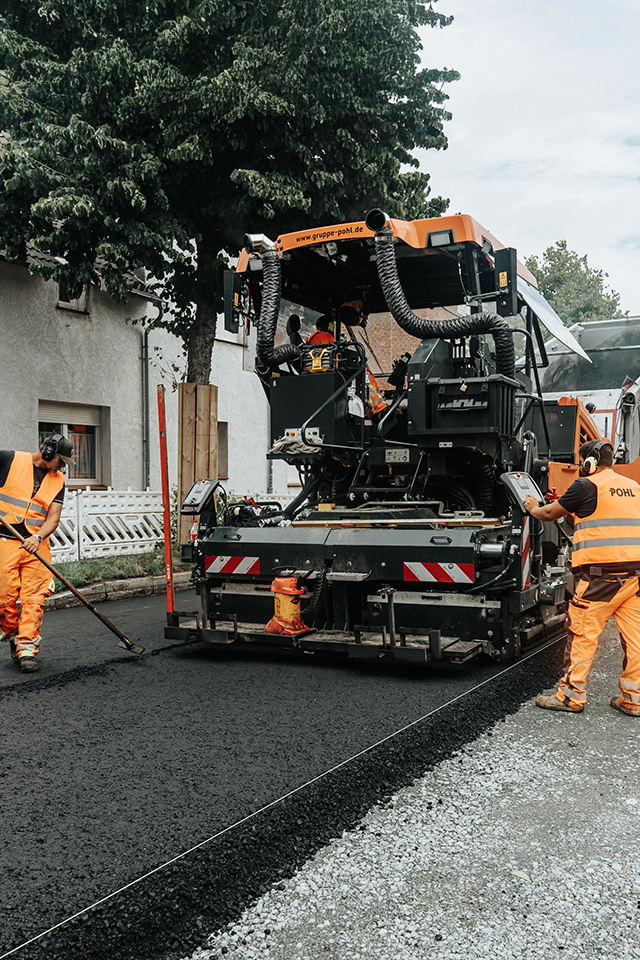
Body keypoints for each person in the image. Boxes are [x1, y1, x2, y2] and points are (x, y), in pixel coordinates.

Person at [524, 439, 640, 717]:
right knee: (635, 640)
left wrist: (532, 508)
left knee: (581, 634)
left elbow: (551, 513)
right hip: (634, 578)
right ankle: (633, 700)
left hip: (601, 580)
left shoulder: (586, 485)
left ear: (589, 463)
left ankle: (571, 697)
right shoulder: (635, 488)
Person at [0, 434, 75, 672]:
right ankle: (13, 635)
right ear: (48, 452)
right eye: (61, 461)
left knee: (34, 599)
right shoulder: (8, 460)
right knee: (3, 597)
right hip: (5, 540)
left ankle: (27, 650)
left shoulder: (58, 479)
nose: (62, 466)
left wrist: (38, 537)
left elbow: (53, 517)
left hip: (36, 545)